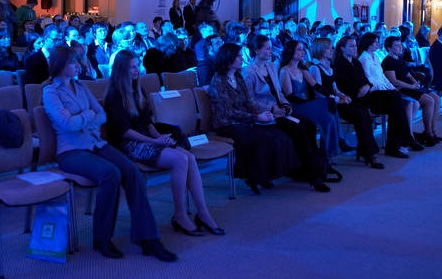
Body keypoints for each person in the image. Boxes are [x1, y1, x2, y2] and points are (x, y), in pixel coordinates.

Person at [42, 46, 178, 261]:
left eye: (77, 61)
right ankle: (102, 238)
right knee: (110, 173)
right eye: (73, 62)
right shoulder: (50, 92)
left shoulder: (80, 86)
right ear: (60, 65)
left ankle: (148, 238)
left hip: (96, 144)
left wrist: (81, 117)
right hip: (71, 151)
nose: (78, 65)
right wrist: (88, 115)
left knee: (132, 172)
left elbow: (101, 115)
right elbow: (66, 124)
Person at [105, 50, 224, 237]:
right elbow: (124, 131)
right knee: (180, 160)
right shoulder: (114, 95)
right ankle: (180, 215)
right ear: (121, 70)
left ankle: (203, 213)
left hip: (146, 139)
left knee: (190, 157)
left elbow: (147, 123)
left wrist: (160, 137)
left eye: (137, 66)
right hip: (128, 144)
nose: (136, 70)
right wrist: (154, 140)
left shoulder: (137, 89)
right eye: (132, 67)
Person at [207, 43, 299, 195]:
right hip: (227, 124)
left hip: (243, 120)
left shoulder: (238, 77)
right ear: (228, 59)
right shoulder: (218, 81)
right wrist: (256, 117)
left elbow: (249, 102)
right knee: (262, 139)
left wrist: (266, 112)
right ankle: (256, 176)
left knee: (278, 137)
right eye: (238, 56)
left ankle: (262, 174)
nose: (241, 58)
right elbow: (228, 112)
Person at [244, 37, 333, 191]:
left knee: (310, 125)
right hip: (265, 114)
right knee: (299, 130)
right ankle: (313, 175)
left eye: (270, 48)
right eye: (267, 48)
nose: (271, 51)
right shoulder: (248, 72)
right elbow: (250, 100)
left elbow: (279, 93)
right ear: (257, 50)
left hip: (280, 110)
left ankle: (310, 166)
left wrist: (285, 105)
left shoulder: (271, 66)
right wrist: (272, 109)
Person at [334, 35, 413, 159]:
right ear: (342, 48)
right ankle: (403, 138)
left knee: (395, 97)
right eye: (351, 46)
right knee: (395, 105)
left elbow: (366, 81)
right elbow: (344, 86)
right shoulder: (339, 64)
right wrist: (363, 88)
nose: (355, 48)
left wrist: (367, 86)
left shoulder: (355, 62)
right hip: (355, 99)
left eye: (355, 45)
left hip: (366, 94)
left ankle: (400, 140)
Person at [309, 37, 383, 169]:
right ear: (321, 50)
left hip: (336, 101)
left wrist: (343, 96)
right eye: (329, 48)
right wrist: (339, 99)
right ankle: (370, 153)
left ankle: (367, 150)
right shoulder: (315, 68)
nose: (332, 50)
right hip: (326, 105)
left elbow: (335, 89)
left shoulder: (329, 66)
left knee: (363, 112)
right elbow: (319, 93)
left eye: (332, 48)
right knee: (360, 113)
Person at [276, 39, 349, 167]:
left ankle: (327, 153)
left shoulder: (302, 69)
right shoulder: (285, 71)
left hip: (306, 104)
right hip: (295, 106)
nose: (303, 52)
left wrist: (330, 95)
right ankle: (330, 150)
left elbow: (316, 86)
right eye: (299, 49)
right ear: (291, 52)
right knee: (328, 110)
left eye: (303, 49)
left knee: (329, 110)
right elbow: (290, 96)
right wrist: (311, 104)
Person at [357, 33, 424, 153]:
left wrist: (391, 87)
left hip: (383, 91)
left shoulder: (375, 56)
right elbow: (368, 80)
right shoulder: (364, 58)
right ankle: (406, 137)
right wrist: (387, 89)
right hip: (373, 93)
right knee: (399, 104)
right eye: (375, 42)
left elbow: (382, 77)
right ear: (368, 43)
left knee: (402, 102)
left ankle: (402, 139)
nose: (378, 44)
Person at [382, 36, 442, 145]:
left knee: (437, 98)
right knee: (429, 101)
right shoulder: (388, 61)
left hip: (411, 86)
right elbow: (394, 81)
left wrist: (415, 82)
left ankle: (433, 131)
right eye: (396, 45)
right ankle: (428, 133)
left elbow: (408, 74)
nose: (400, 47)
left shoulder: (399, 59)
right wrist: (411, 86)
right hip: (402, 89)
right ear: (389, 48)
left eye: (400, 45)